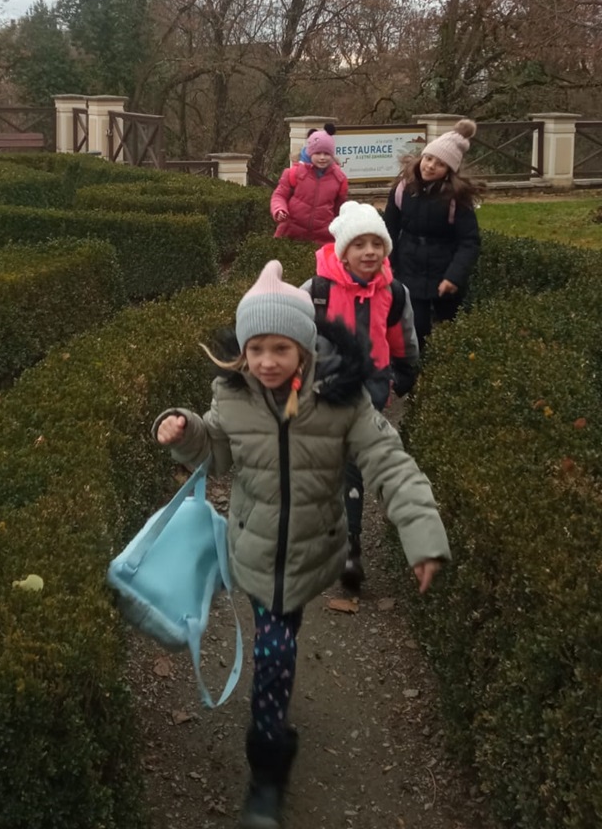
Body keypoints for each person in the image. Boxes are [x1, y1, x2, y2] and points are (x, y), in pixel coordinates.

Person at [153, 261, 450, 829]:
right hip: (256, 550)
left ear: (305, 347)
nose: (267, 362)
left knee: (276, 650)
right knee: (275, 652)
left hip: (311, 550)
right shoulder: (234, 396)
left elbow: (390, 462)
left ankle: (270, 744)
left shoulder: (342, 399)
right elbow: (216, 451)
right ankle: (268, 767)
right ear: (242, 352)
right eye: (256, 349)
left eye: (280, 348)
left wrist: (422, 535)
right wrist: (183, 429)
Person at [302, 200, 420, 591]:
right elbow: (292, 335)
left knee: (351, 464)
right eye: (359, 244)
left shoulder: (394, 292)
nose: (369, 252)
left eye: (376, 244)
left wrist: (401, 377)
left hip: (369, 395)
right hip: (323, 392)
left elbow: (402, 339)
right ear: (343, 252)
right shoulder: (317, 291)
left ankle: (349, 547)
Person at [384, 119, 482, 352]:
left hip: (443, 270)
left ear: (449, 170)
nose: (430, 166)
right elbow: (388, 229)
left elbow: (469, 241)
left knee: (449, 326)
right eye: (428, 158)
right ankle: (416, 366)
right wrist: (389, 264)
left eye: (440, 164)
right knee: (416, 326)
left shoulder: (456, 198)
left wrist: (454, 277)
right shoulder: (402, 189)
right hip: (409, 267)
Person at [270, 128, 348, 244]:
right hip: (290, 236)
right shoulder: (294, 173)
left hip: (324, 240)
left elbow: (340, 210)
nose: (322, 157)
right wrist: (279, 209)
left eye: (326, 153)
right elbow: (279, 195)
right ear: (309, 152)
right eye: (318, 153)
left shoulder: (339, 179)